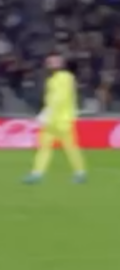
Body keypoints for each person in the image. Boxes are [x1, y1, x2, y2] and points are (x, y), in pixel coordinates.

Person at [24, 54, 87, 184]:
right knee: (44, 147)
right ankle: (37, 173)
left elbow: (60, 97)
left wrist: (46, 112)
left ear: (61, 64)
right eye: (50, 62)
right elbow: (52, 98)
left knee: (70, 147)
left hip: (63, 120)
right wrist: (46, 112)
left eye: (55, 62)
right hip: (51, 121)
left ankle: (80, 173)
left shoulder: (65, 77)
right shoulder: (52, 79)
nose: (52, 64)